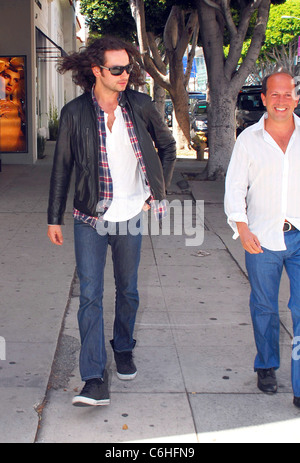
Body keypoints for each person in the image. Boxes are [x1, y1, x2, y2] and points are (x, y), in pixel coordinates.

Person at [47, 36, 176, 407]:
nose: (125, 75)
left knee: (129, 290)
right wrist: (53, 217)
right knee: (90, 296)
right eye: (116, 69)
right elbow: (62, 169)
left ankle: (123, 347)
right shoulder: (74, 113)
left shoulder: (140, 105)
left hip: (131, 214)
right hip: (90, 216)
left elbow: (167, 147)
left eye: (128, 68)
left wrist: (158, 190)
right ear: (97, 71)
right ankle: (93, 378)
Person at [225, 71, 300, 409]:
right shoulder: (249, 139)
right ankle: (267, 365)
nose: (281, 100)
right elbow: (235, 187)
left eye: (288, 94)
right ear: (265, 98)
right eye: (275, 94)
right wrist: (241, 228)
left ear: (296, 97)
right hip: (262, 236)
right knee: (265, 307)